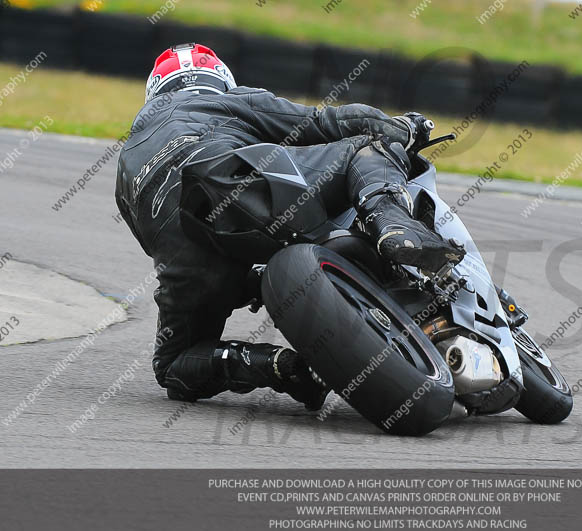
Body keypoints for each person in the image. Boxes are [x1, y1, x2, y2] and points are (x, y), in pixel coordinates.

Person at [115, 43, 464, 409]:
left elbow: (156, 245)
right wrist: (398, 127)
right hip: (245, 188)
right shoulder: (232, 100)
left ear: (154, 90)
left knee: (172, 365)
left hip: (190, 254)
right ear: (220, 79)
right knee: (367, 147)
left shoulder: (125, 165)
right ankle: (395, 227)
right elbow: (324, 122)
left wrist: (243, 285)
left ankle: (279, 368)